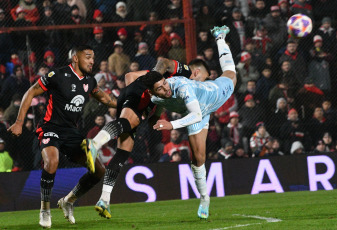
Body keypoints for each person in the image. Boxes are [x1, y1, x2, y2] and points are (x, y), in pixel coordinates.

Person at [7, 45, 116, 228]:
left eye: (93, 57)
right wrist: (19, 122)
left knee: (99, 171)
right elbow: (31, 91)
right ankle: (45, 210)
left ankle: (68, 200)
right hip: (50, 127)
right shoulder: (57, 75)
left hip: (71, 132)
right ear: (75, 58)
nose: (92, 61)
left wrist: (129, 105)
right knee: (52, 162)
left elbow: (106, 99)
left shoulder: (89, 81)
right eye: (88, 57)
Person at [141, 25, 236, 219]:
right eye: (160, 88)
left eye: (165, 83)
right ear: (153, 92)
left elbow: (196, 115)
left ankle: (219, 36)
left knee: (232, 74)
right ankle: (204, 198)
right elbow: (157, 110)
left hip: (212, 95)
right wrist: (150, 118)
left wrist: (171, 125)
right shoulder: (156, 98)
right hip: (194, 111)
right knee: (198, 158)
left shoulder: (181, 86)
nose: (166, 88)